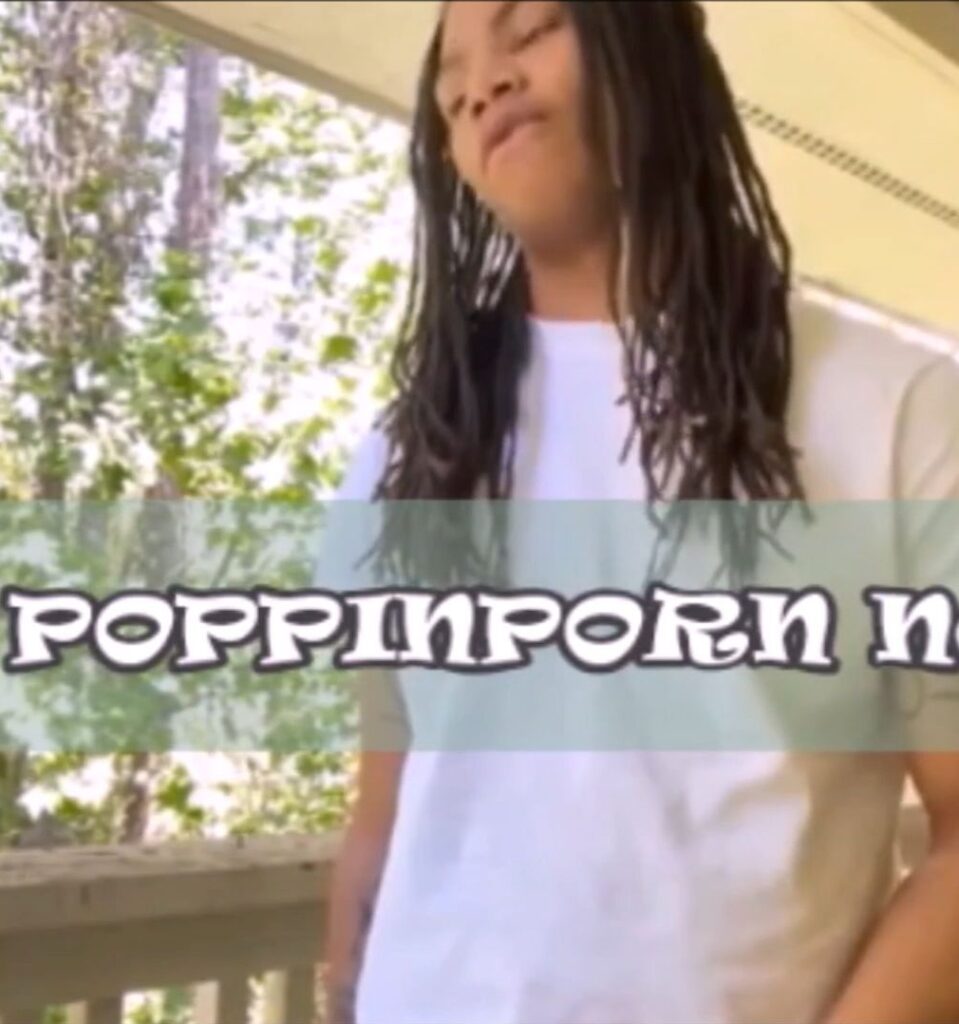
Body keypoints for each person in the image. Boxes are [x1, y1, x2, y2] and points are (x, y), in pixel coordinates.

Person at [323, 2, 959, 1022]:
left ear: (655, 42)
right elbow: (382, 822)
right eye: (451, 80)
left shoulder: (901, 409)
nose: (482, 85)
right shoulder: (409, 453)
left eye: (531, 28)